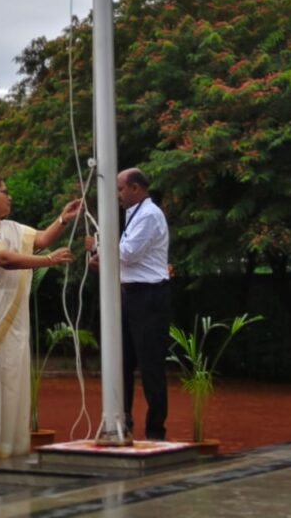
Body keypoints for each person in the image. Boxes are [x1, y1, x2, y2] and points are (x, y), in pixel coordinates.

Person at [0, 176, 82, 459]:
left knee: (9, 377)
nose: (9, 197)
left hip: (9, 319)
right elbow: (3, 259)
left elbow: (41, 239)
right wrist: (48, 261)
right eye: (4, 192)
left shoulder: (10, 228)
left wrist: (63, 219)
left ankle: (2, 447)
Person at [115, 168, 170, 441]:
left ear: (135, 188)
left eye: (121, 189)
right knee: (122, 362)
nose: (118, 195)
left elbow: (128, 253)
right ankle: (122, 422)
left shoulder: (148, 214)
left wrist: (99, 247)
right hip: (131, 295)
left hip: (148, 296)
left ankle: (155, 432)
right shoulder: (134, 214)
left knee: (150, 365)